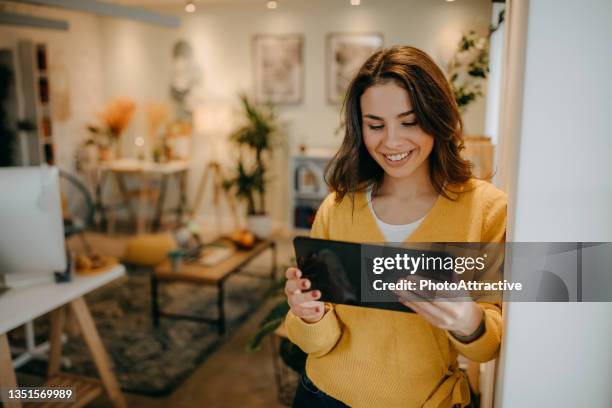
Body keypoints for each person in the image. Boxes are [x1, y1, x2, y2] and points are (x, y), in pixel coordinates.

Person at [284, 45, 506, 408]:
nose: (391, 141)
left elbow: (488, 347)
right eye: (375, 125)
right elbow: (316, 343)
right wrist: (307, 315)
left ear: (437, 117)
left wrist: (469, 319)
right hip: (322, 396)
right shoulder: (338, 207)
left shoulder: (486, 209)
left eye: (409, 121)